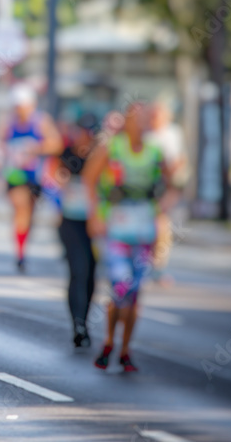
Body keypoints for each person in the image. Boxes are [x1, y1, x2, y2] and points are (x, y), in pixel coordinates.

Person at [84, 102, 174, 372]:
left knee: (135, 294)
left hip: (144, 231)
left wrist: (162, 208)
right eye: (138, 118)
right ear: (126, 121)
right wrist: (95, 216)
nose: (143, 122)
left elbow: (173, 184)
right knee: (120, 287)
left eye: (147, 118)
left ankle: (124, 349)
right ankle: (109, 339)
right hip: (116, 230)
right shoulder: (112, 148)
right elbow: (89, 179)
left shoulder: (156, 151)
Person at [43, 114, 97, 348]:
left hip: (94, 223)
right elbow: (52, 179)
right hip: (70, 221)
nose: (85, 137)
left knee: (91, 273)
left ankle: (84, 318)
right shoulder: (66, 154)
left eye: (90, 133)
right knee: (78, 270)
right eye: (82, 132)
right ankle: (78, 325)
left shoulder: (100, 157)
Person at [2, 84, 63, 272]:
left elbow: (57, 144)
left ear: (31, 105)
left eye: (23, 106)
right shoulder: (9, 123)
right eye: (17, 106)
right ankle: (20, 254)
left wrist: (34, 148)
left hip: (35, 176)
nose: (20, 110)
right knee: (21, 209)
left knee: (30, 214)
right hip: (15, 175)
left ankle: (24, 246)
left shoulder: (41, 121)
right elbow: (0, 144)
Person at [145, 101, 187, 285]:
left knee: (161, 227)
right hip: (144, 185)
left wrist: (173, 187)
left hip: (163, 185)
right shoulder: (144, 133)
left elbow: (179, 160)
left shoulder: (172, 133)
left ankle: (158, 267)